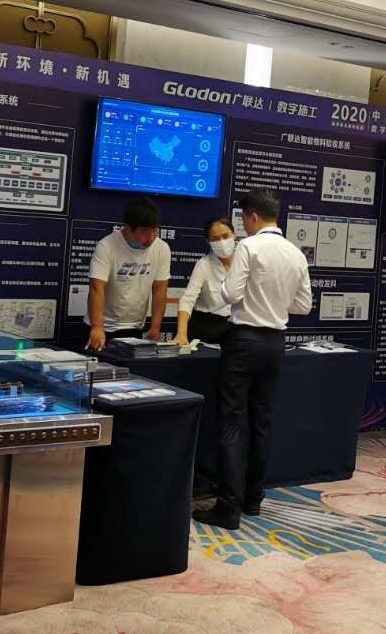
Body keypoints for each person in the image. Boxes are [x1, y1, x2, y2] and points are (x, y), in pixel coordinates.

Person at [192, 188, 312, 530]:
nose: (243, 226)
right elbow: (303, 305)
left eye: (244, 219)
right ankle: (253, 499)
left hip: (244, 340)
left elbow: (230, 294)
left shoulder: (249, 247)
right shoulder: (295, 253)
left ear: (253, 217)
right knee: (262, 422)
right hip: (275, 342)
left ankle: (227, 508)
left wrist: (246, 295)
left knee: (232, 422)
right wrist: (274, 300)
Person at [85, 196, 171, 352]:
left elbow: (160, 290)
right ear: (127, 227)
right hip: (104, 327)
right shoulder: (106, 246)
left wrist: (155, 328)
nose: (150, 238)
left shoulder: (162, 248)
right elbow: (97, 288)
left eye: (155, 231)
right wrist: (97, 327)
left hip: (135, 327)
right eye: (145, 232)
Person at [176, 217, 237, 346]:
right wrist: (181, 333)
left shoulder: (245, 261)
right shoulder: (203, 264)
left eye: (226, 236)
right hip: (206, 326)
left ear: (234, 234)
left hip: (235, 326)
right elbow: (188, 299)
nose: (222, 242)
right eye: (215, 239)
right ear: (208, 242)